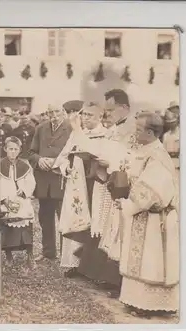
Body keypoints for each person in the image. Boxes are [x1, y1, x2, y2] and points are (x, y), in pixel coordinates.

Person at [72, 89, 138, 297]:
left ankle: (117, 280)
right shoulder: (115, 128)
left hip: (125, 185)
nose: (107, 114)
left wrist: (111, 163)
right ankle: (105, 275)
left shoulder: (134, 129)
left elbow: (133, 158)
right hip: (109, 181)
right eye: (106, 109)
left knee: (119, 231)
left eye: (111, 109)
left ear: (124, 108)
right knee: (109, 229)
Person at [116, 111, 179, 317]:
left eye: (138, 129)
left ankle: (148, 305)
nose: (134, 133)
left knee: (150, 262)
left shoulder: (157, 156)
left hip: (153, 218)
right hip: (142, 215)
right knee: (140, 260)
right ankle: (136, 301)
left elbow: (150, 191)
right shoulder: (146, 150)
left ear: (151, 133)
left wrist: (128, 204)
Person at [54, 101, 110, 278]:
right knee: (79, 221)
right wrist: (66, 168)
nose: (85, 118)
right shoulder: (77, 134)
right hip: (79, 185)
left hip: (98, 185)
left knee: (96, 224)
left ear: (100, 117)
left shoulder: (107, 136)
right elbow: (62, 157)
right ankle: (76, 264)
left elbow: (105, 157)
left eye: (90, 115)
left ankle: (94, 269)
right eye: (84, 114)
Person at [28, 103, 72, 261]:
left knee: (64, 218)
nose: (54, 116)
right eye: (50, 112)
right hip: (43, 180)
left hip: (61, 180)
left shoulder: (71, 128)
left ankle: (66, 255)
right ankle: (48, 252)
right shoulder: (40, 128)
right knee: (45, 217)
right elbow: (31, 152)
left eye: (57, 112)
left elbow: (74, 155)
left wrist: (57, 162)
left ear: (63, 112)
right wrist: (39, 160)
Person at [0, 136, 36, 268]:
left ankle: (30, 255)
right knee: (7, 228)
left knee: (26, 226)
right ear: (5, 149)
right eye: (10, 149)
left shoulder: (25, 165)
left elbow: (31, 182)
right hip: (6, 200)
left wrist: (24, 192)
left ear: (19, 150)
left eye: (16, 149)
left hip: (21, 200)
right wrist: (3, 199)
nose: (13, 152)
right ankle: (9, 256)